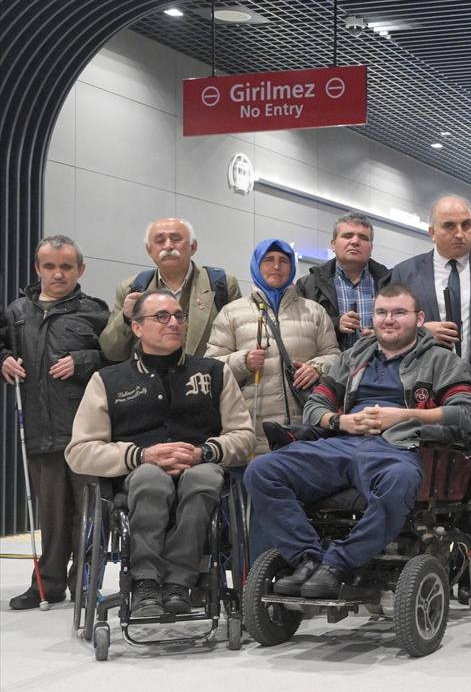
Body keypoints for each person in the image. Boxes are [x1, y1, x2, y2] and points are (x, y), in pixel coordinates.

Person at [243, 284, 471, 599]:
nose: (389, 320)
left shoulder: (441, 361)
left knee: (400, 479)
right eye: (382, 312)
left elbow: (465, 412)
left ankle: (339, 564)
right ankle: (307, 558)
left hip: (397, 448)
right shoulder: (354, 356)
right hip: (342, 443)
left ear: (419, 318)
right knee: (261, 470)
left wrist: (404, 416)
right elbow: (315, 407)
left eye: (399, 313)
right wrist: (341, 421)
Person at [66, 291, 255, 617]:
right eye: (162, 317)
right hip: (138, 475)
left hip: (199, 467)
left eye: (179, 316)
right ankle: (146, 584)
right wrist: (140, 456)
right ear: (137, 328)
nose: (174, 323)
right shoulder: (108, 380)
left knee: (202, 480)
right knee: (152, 480)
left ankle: (179, 584)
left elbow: (244, 436)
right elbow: (80, 451)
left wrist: (204, 452)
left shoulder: (214, 373)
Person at [1, 236, 108, 609]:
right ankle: (46, 585)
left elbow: (115, 358)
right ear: (37, 269)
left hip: (85, 433)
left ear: (80, 269)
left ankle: (85, 583)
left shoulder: (95, 312)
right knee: (50, 515)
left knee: (88, 514)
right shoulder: (16, 313)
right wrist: (3, 361)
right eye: (49, 266)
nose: (57, 273)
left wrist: (84, 360)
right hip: (39, 429)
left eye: (66, 266)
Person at [207, 240, 341, 454]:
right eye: (268, 260)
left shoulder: (313, 312)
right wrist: (243, 362)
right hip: (252, 427)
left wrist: (317, 367)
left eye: (283, 261)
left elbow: (335, 356)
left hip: (306, 428)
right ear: (256, 265)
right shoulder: (232, 313)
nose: (276, 266)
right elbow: (211, 369)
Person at [100, 218, 242, 362]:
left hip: (205, 380)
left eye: (175, 239)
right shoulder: (130, 289)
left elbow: (239, 344)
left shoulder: (220, 285)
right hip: (150, 380)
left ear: (193, 247)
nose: (168, 246)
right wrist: (125, 319)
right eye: (160, 241)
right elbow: (111, 352)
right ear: (149, 250)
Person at [392, 197, 471, 366]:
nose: (460, 234)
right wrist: (420, 331)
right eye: (449, 226)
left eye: (466, 225)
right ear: (432, 232)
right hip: (423, 378)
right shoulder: (405, 273)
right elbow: (392, 325)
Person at [295, 212, 392, 352]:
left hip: (380, 368)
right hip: (328, 370)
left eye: (363, 237)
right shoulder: (308, 285)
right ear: (333, 245)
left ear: (371, 248)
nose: (355, 241)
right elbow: (297, 330)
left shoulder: (391, 283)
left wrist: (382, 337)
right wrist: (334, 324)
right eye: (347, 236)